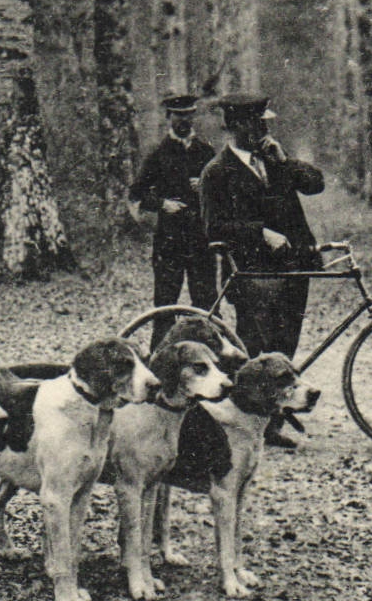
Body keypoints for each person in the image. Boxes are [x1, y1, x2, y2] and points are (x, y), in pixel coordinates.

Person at [200, 94, 325, 448]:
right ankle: (244, 423)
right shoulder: (217, 172)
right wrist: (260, 232)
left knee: (285, 347)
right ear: (237, 126)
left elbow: (315, 184)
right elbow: (213, 228)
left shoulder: (273, 161)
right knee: (256, 351)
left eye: (265, 123)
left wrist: (285, 160)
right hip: (252, 274)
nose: (264, 129)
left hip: (292, 270)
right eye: (257, 123)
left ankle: (271, 423)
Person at [127, 94, 218, 348]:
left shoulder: (206, 152)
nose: (184, 120)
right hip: (170, 241)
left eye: (188, 114)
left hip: (201, 241)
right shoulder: (158, 154)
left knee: (207, 305)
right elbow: (137, 194)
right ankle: (160, 358)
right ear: (169, 117)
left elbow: (224, 193)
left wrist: (205, 186)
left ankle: (213, 358)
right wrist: (162, 204)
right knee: (165, 306)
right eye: (179, 115)